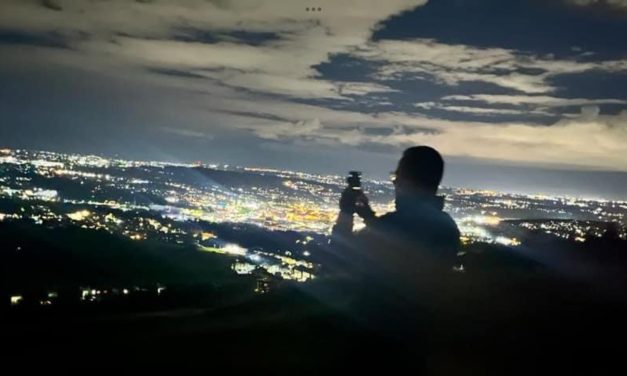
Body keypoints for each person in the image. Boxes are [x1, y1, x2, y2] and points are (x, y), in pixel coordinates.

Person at [330, 146, 461, 286]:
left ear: (407, 181)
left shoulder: (395, 225)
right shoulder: (447, 226)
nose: (394, 183)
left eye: (396, 177)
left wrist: (346, 213)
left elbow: (338, 261)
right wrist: (368, 215)